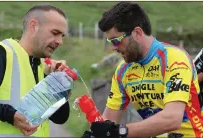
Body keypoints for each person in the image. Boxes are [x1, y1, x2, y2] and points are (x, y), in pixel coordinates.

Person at [82, 2, 202, 138]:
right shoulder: (123, 71)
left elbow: (172, 119)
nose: (113, 48)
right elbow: (108, 121)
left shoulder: (174, 59)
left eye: (115, 41)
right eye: (110, 42)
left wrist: (121, 132)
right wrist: (96, 135)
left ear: (137, 33)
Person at [0, 4, 70, 137]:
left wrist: (57, 82)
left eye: (62, 36)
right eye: (55, 33)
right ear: (34, 26)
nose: (60, 41)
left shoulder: (42, 66)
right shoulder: (2, 56)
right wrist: (8, 115)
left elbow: (60, 118)